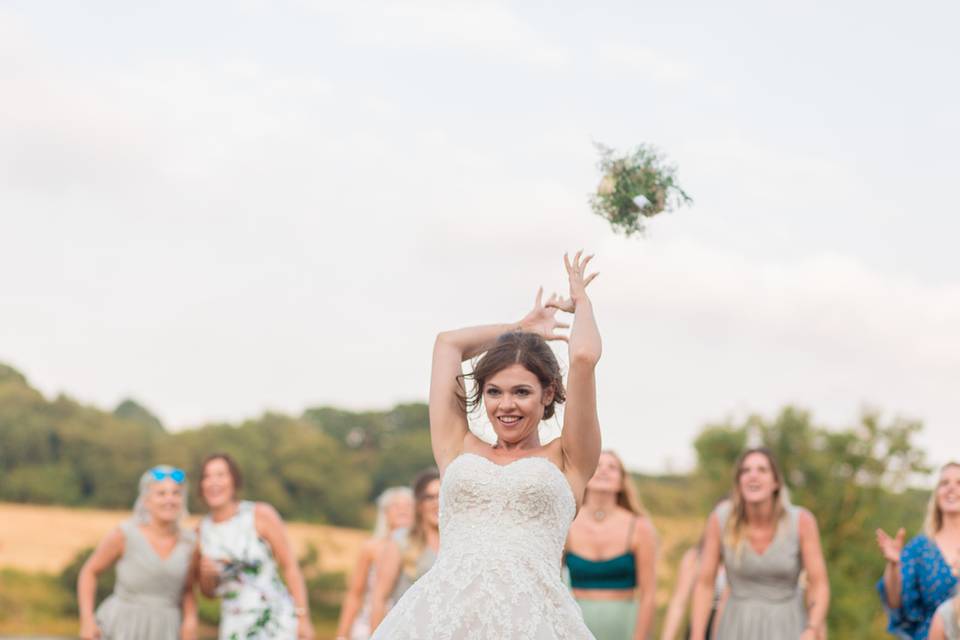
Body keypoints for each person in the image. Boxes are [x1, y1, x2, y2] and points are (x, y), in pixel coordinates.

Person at [370, 251, 603, 639]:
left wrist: (583, 305)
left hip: (533, 624)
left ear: (547, 395)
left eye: (522, 392)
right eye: (494, 392)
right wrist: (518, 330)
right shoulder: (457, 445)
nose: (506, 405)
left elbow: (582, 357)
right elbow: (447, 345)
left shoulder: (568, 457)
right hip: (441, 620)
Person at [689, 448, 830, 640]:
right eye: (745, 471)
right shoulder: (719, 519)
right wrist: (697, 636)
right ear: (739, 482)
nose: (752, 475)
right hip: (735, 625)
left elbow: (819, 584)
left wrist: (812, 629)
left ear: (776, 482)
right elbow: (704, 584)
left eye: (762, 470)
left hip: (786, 625)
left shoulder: (802, 521)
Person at [196, 453, 314, 640]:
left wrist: (303, 617)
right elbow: (208, 593)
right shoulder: (202, 530)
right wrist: (206, 575)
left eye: (220, 475)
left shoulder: (259, 514)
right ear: (201, 485)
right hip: (235, 626)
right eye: (207, 476)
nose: (213, 482)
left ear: (234, 480)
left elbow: (290, 567)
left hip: (276, 619)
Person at [77, 465, 198, 640]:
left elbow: (188, 589)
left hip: (167, 629)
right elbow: (89, 572)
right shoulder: (125, 534)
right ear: (146, 500)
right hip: (121, 627)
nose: (169, 499)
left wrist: (190, 620)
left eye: (176, 493)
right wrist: (87, 621)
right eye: (161, 493)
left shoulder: (190, 542)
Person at [565, 450, 657, 639]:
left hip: (624, 624)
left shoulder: (639, 526)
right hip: (574, 624)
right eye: (597, 465)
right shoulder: (566, 522)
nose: (604, 471)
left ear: (622, 481)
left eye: (612, 467)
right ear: (586, 474)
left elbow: (648, 593)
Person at [876, 461, 960, 640]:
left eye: (959, 483)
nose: (951, 488)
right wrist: (894, 564)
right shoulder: (920, 547)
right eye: (944, 483)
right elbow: (895, 603)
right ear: (937, 494)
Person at [335, 486, 414, 640]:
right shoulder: (371, 548)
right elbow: (355, 593)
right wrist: (342, 634)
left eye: (408, 506)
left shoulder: (423, 551)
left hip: (408, 625)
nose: (402, 510)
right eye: (396, 506)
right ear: (385, 513)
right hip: (369, 623)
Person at [367, 470, 441, 631]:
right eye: (430, 497)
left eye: (442, 496)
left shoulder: (457, 543)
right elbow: (379, 597)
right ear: (419, 504)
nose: (437, 503)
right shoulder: (401, 541)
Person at [659, 534, 726, 640]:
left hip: (729, 626)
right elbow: (679, 603)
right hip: (700, 626)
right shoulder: (695, 558)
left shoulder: (737, 560)